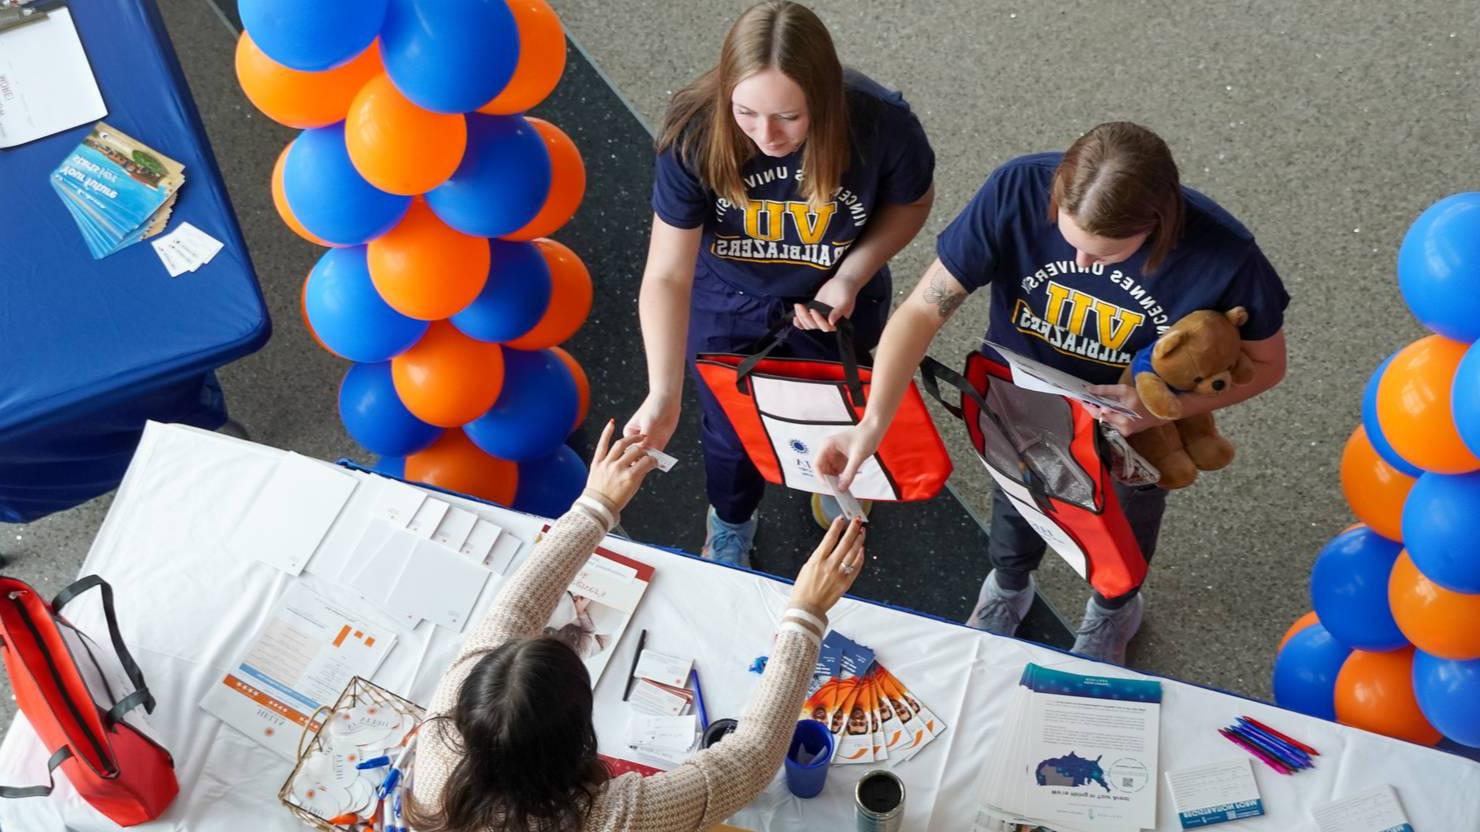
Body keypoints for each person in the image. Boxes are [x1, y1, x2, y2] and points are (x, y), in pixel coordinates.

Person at [814, 122, 1289, 664]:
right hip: (1022, 401)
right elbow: (924, 308)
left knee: (1125, 518)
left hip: (1132, 425)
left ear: (1157, 224)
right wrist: (872, 424)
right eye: (1071, 242)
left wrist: (1161, 412)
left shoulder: (1225, 255)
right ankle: (1009, 586)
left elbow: (1269, 366)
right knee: (1018, 501)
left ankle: (1115, 608)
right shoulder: (1017, 189)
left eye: (1107, 256)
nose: (1084, 265)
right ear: (1058, 193)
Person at [408, 420, 867, 832]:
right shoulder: (612, 819)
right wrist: (806, 615)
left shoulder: (436, 757)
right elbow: (749, 761)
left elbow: (512, 612)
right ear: (579, 737)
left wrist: (597, 507)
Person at [624, 0, 935, 565]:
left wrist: (851, 274)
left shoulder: (881, 122)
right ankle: (731, 518)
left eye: (789, 117)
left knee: (836, 405)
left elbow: (912, 203)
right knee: (728, 428)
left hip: (836, 296)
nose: (766, 135)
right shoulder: (694, 130)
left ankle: (833, 479)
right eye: (746, 114)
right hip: (728, 300)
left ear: (825, 99)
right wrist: (663, 393)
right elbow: (668, 272)